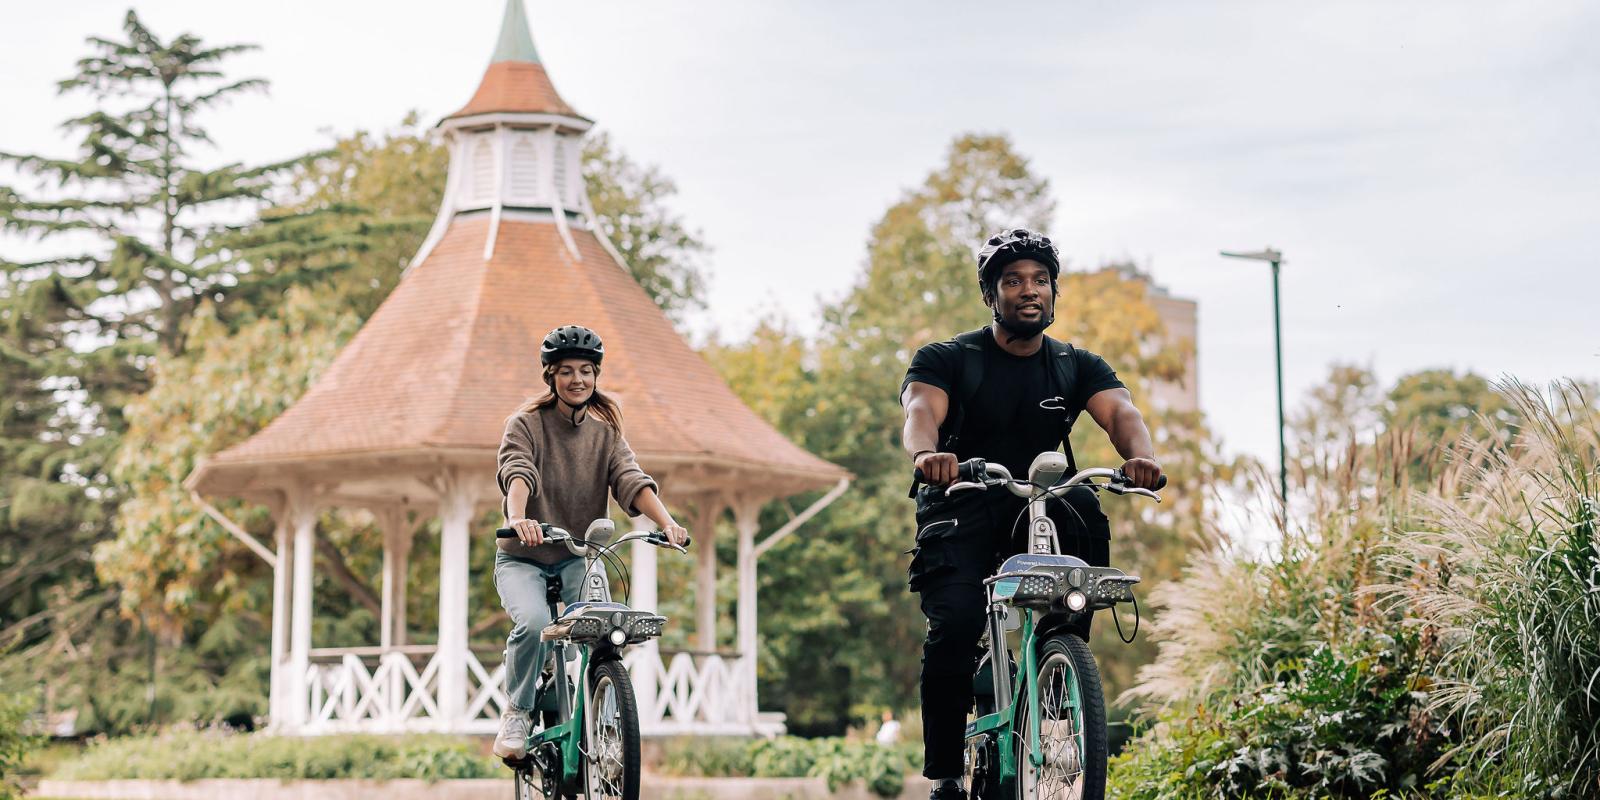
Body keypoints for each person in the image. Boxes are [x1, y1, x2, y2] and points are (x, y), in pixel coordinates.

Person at [898, 228, 1163, 799]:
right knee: (956, 626)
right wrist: (929, 456)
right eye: (1013, 281)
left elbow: (1120, 413)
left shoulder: (1073, 364)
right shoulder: (950, 358)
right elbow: (921, 408)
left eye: (1040, 281)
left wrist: (1141, 459)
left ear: (1053, 291)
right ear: (991, 294)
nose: (1029, 291)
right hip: (963, 499)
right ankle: (945, 772)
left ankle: (1057, 669)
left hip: (1038, 498)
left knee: (1084, 503)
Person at [492, 324, 690, 760]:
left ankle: (601, 704)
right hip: (524, 558)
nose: (577, 379)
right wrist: (519, 518)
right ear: (550, 377)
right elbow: (518, 472)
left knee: (606, 628)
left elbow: (631, 481)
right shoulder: (525, 425)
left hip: (578, 556)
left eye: (586, 370)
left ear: (596, 376)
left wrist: (669, 523)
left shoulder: (606, 435)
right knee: (531, 623)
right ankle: (518, 711)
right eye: (565, 371)